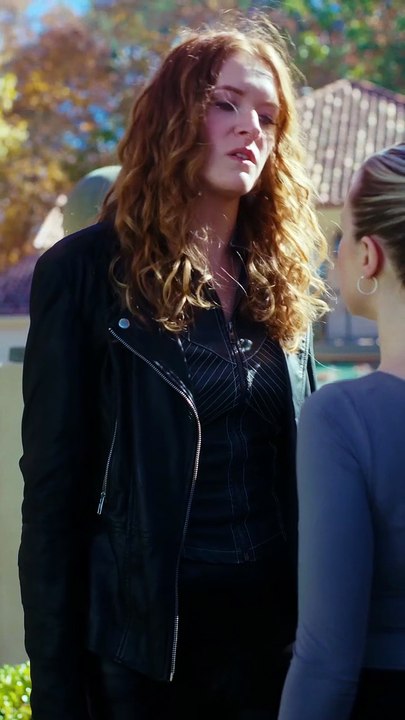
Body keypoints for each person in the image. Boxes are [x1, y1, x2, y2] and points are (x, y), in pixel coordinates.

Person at [18, 13, 328, 720]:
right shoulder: (85, 272)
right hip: (144, 656)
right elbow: (54, 501)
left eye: (267, 116)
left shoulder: (284, 281)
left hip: (274, 648)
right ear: (172, 116)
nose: (250, 127)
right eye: (225, 103)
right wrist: (57, 694)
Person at [278, 142, 405, 720]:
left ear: (370, 256)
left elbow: (327, 662)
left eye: (342, 240)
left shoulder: (343, 417)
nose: (333, 262)